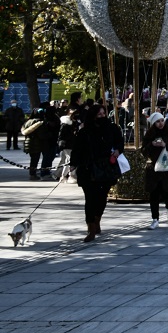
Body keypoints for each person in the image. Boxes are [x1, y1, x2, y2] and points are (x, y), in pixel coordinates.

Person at [70, 101, 124, 242]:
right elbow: (77, 149)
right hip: (88, 168)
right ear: (92, 116)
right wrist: (73, 164)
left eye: (103, 113)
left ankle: (97, 219)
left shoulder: (112, 128)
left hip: (106, 168)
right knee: (90, 198)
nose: (102, 116)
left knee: (101, 198)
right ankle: (91, 227)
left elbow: (119, 142)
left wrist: (117, 150)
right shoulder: (85, 131)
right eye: (98, 114)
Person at [142, 111, 168, 228]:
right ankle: (155, 219)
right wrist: (152, 145)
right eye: (157, 121)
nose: (160, 123)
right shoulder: (149, 134)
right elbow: (143, 150)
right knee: (153, 193)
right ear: (153, 123)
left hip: (167, 167)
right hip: (153, 168)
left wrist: (166, 145)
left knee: (166, 191)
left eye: (162, 120)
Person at [23, 104, 59, 180]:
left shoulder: (28, 121)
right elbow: (42, 135)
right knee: (35, 160)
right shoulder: (39, 122)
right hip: (36, 143)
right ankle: (33, 174)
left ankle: (32, 173)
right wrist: (49, 135)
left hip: (29, 142)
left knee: (33, 159)